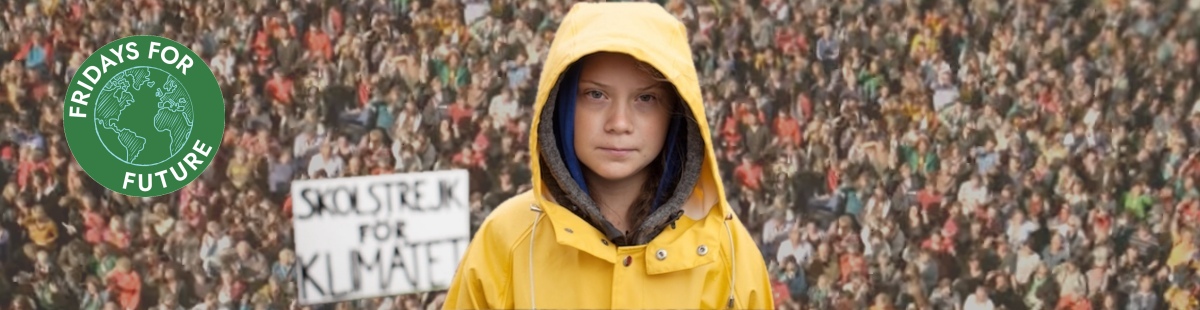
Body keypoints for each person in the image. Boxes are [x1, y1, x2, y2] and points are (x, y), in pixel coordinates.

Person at [444, 2, 773, 309]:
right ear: (562, 103)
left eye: (645, 99)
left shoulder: (726, 247)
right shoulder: (507, 240)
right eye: (596, 94)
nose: (619, 124)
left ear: (676, 111)